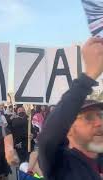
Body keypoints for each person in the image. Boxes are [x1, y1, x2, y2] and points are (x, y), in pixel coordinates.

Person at [38, 37, 103, 180]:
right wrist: (89, 76)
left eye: (101, 116)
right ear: (68, 129)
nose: (99, 123)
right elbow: (47, 139)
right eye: (89, 118)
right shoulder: (62, 164)